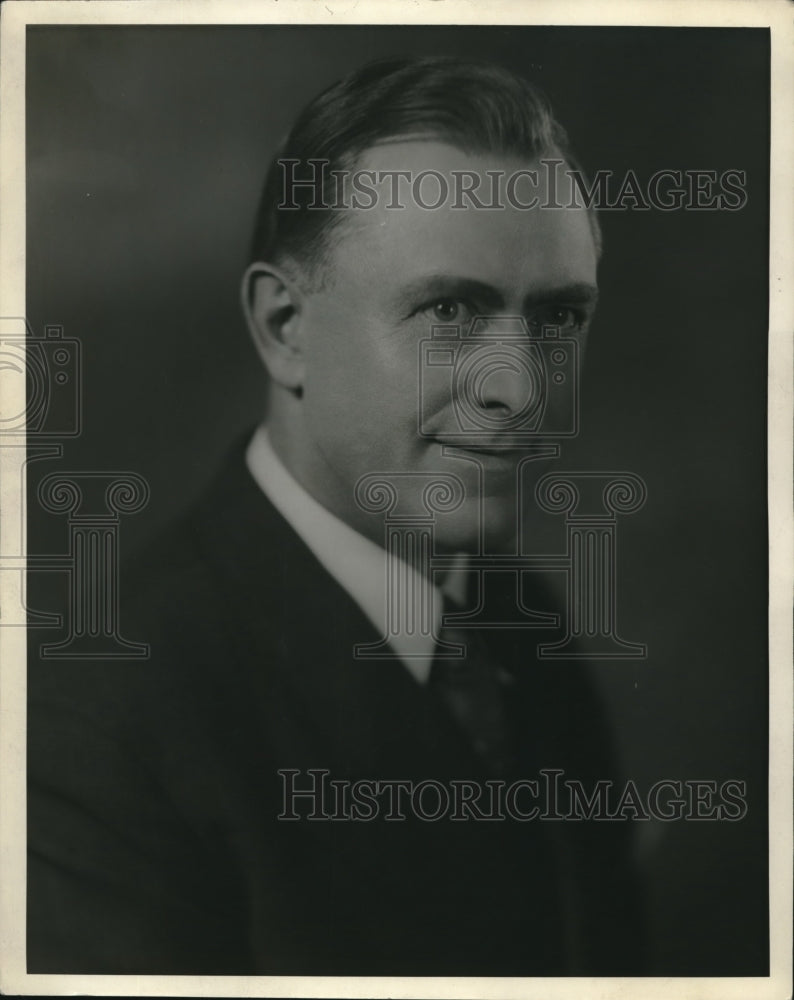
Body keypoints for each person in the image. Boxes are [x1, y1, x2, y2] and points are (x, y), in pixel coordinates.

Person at [27, 56, 644, 975]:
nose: (520, 391)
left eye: (557, 318)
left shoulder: (518, 621)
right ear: (286, 327)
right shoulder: (97, 731)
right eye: (449, 309)